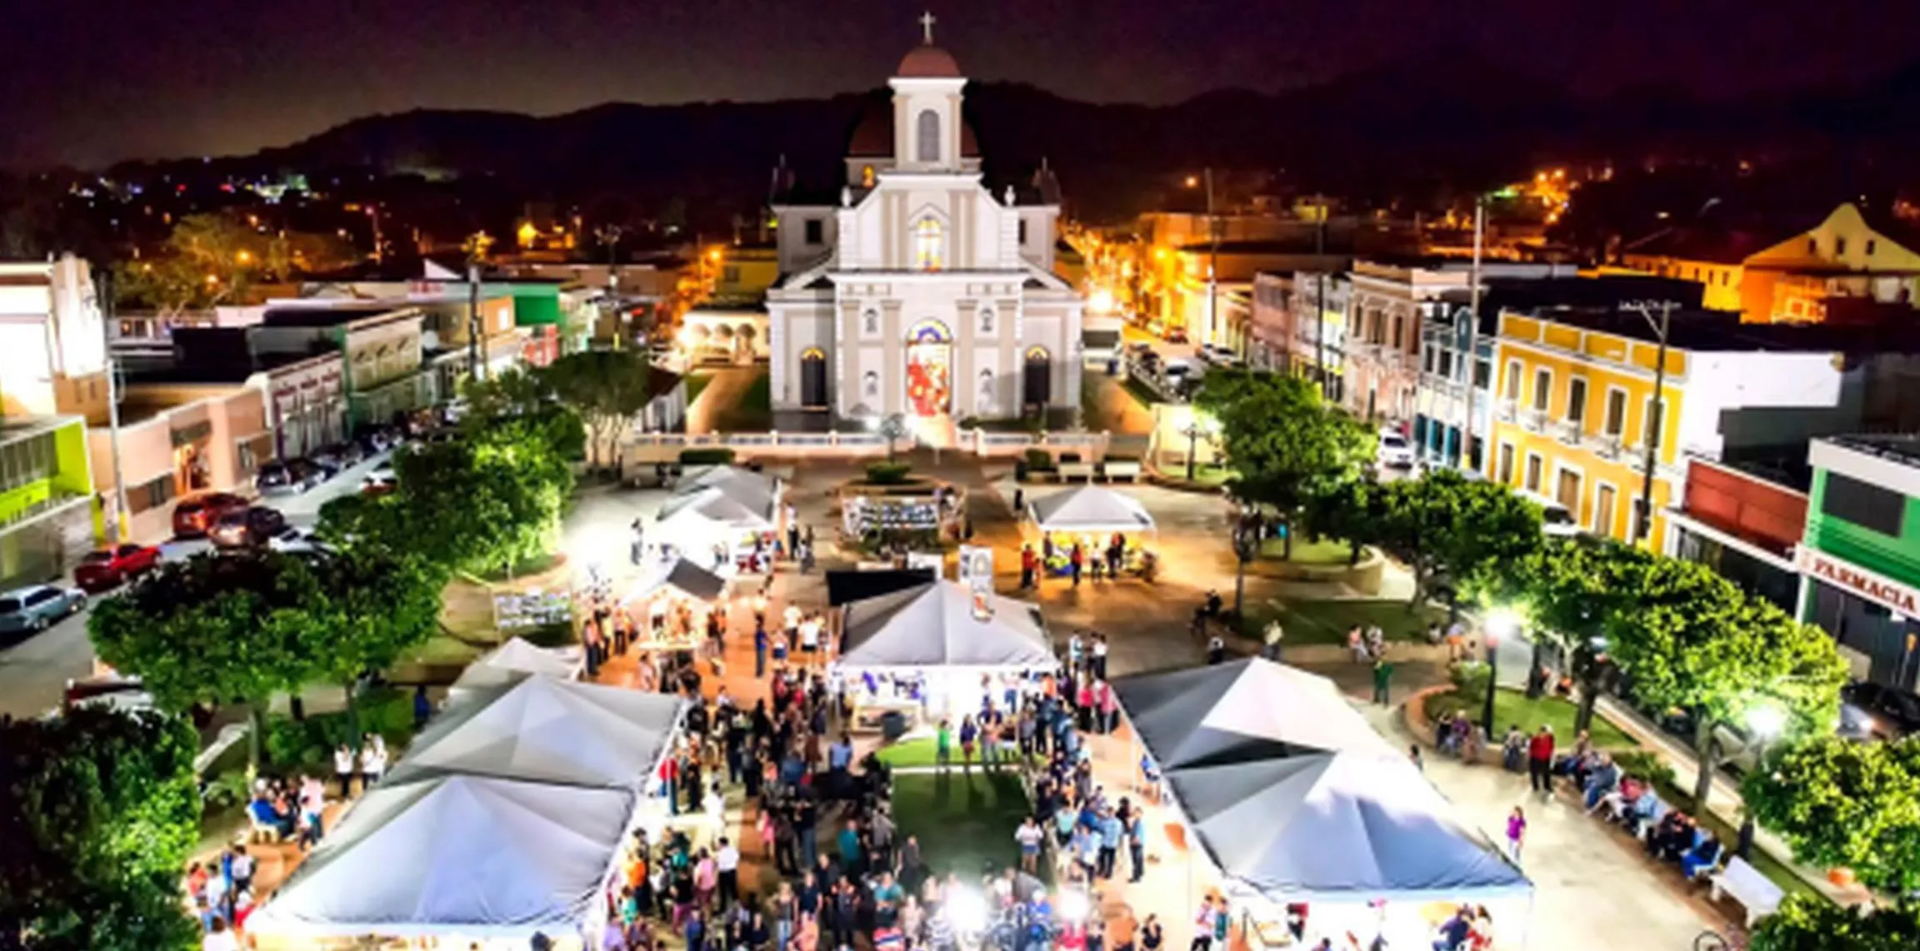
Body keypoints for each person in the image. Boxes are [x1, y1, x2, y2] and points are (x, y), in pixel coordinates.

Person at [1526, 726, 1555, 793]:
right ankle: (1535, 787)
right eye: (1542, 732)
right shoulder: (1535, 739)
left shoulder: (1549, 738)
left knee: (1547, 773)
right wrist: (1530, 755)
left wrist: (1550, 754)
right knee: (1534, 773)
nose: (1543, 734)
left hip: (1545, 758)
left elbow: (1551, 746)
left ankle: (1547, 786)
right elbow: (1531, 747)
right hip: (1535, 757)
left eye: (1544, 732)